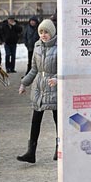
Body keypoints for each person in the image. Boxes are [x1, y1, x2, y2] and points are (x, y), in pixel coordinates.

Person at [17, 19, 58, 164]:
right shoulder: (37, 46)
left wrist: (58, 79)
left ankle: (59, 148)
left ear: (52, 32)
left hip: (54, 88)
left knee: (57, 120)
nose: (43, 35)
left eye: (46, 32)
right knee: (35, 120)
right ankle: (31, 152)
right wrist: (24, 83)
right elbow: (34, 69)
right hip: (39, 88)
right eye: (41, 32)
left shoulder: (60, 47)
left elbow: (65, 70)